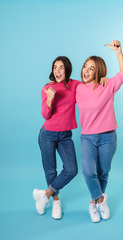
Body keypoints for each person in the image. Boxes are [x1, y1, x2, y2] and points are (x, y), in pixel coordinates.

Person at [76, 40, 123, 223]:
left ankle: (93, 203)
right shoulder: (77, 88)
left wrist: (118, 52)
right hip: (88, 138)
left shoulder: (107, 85)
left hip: (108, 137)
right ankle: (101, 200)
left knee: (103, 172)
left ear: (98, 71)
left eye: (91, 68)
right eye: (85, 66)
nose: (86, 70)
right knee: (88, 172)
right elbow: (62, 84)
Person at [33, 56, 80, 220]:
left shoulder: (75, 85)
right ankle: (55, 200)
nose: (57, 71)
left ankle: (44, 195)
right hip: (47, 134)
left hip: (65, 135)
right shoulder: (47, 88)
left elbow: (90, 88)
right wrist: (50, 99)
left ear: (67, 70)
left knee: (71, 170)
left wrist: (102, 79)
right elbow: (45, 114)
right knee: (51, 170)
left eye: (61, 67)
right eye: (55, 67)